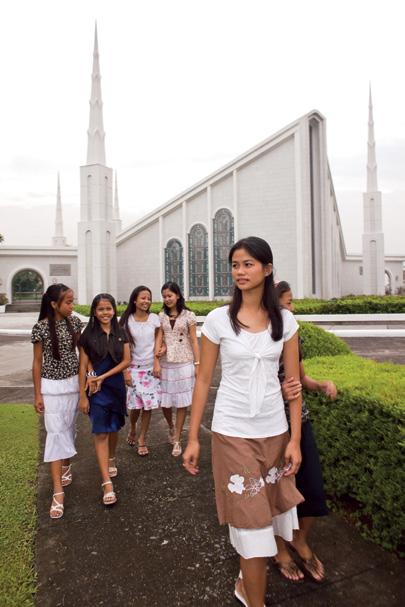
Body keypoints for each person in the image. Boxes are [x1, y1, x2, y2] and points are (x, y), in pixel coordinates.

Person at [183, 237, 303, 607]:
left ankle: (243, 584)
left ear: (267, 269)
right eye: (235, 264)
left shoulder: (286, 321)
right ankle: (255, 600)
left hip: (274, 432)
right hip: (232, 432)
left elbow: (293, 386)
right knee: (252, 526)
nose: (240, 271)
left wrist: (295, 439)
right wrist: (192, 437)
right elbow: (203, 379)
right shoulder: (219, 320)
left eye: (248, 264)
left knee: (271, 514)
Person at [273, 280, 337, 583]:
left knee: (311, 487)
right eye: (288, 302)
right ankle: (278, 549)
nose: (292, 307)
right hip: (271, 426)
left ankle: (300, 539)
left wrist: (319, 384)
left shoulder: (292, 335)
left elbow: (300, 375)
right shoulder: (262, 337)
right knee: (275, 491)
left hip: (301, 421)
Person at [32, 283, 82, 519]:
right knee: (55, 434)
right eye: (68, 302)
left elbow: (84, 357)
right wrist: (38, 393)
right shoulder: (40, 328)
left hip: (73, 385)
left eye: (72, 301)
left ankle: (66, 465)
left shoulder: (75, 323)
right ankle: (58, 492)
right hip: (51, 387)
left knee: (69, 430)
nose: (72, 306)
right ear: (54, 304)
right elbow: (37, 363)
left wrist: (87, 383)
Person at [78, 293, 130, 506]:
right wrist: (83, 394)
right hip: (96, 390)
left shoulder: (121, 332)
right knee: (100, 432)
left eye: (108, 309)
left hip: (115, 386)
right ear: (94, 311)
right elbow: (83, 365)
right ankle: (106, 483)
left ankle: (111, 458)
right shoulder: (87, 334)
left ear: (114, 310)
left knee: (114, 428)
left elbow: (127, 361)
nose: (105, 313)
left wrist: (104, 376)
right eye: (101, 309)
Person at [154, 281, 200, 457]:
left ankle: (178, 438)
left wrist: (198, 364)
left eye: (170, 295)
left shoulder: (189, 316)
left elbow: (194, 340)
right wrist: (156, 360)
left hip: (184, 361)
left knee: (181, 402)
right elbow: (159, 338)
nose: (167, 299)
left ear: (178, 296)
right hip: (166, 363)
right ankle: (171, 426)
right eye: (164, 296)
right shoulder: (160, 316)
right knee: (165, 401)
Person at [119, 286, 162, 456]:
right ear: (134, 300)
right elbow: (121, 349)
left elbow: (159, 339)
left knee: (148, 407)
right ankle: (133, 428)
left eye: (149, 298)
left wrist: (157, 362)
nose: (146, 301)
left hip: (150, 369)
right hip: (133, 370)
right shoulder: (126, 321)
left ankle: (142, 439)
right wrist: (125, 372)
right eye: (143, 298)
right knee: (135, 407)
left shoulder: (154, 319)